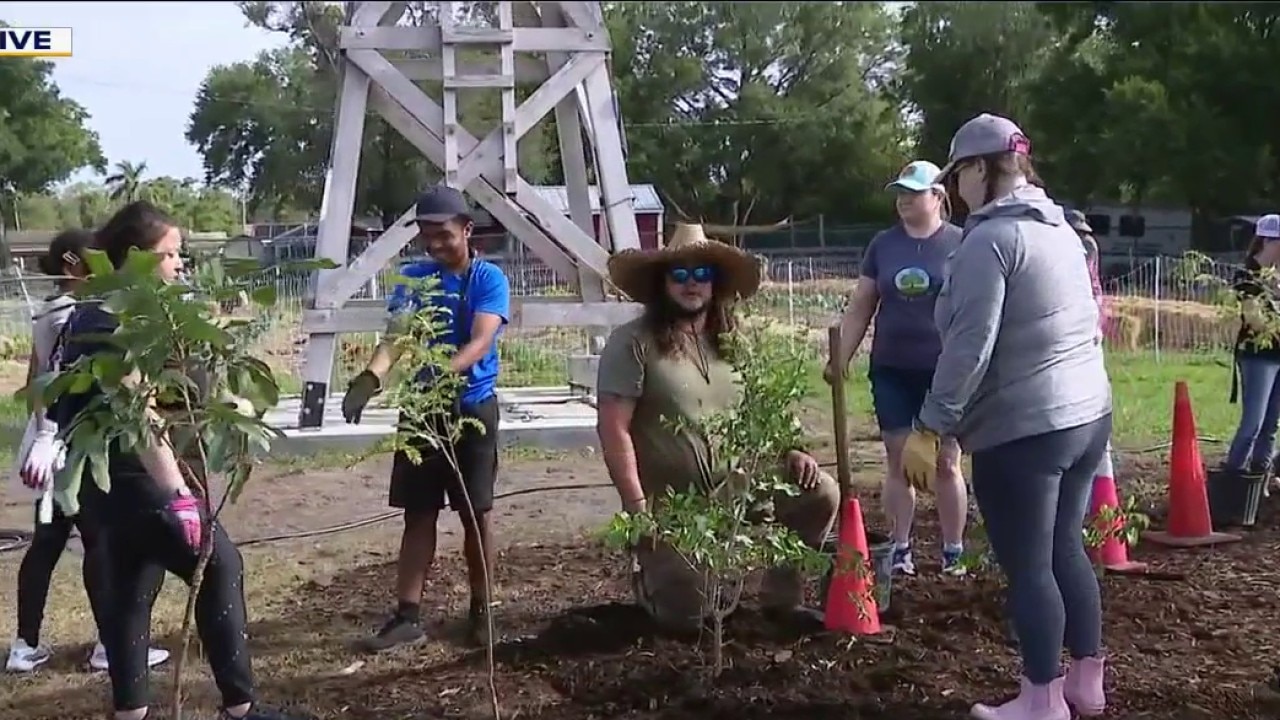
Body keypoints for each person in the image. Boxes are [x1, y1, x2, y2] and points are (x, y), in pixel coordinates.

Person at [51, 201, 305, 720]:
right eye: (171, 254)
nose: (180, 263)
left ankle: (132, 712)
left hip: (106, 487)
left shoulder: (102, 306)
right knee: (218, 565)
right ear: (138, 257)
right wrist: (177, 496)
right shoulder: (114, 315)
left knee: (130, 587)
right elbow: (136, 410)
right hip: (134, 476)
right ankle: (240, 708)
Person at [901, 114, 1113, 720]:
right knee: (1066, 546)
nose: (956, 192)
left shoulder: (989, 242)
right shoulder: (1061, 231)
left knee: (1028, 565)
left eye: (958, 176)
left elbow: (971, 344)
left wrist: (931, 425)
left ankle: (1041, 700)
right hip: (1086, 415)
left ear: (979, 169)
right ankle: (1086, 682)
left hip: (1027, 428)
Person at [596, 223, 839, 633]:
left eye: (702, 274)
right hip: (674, 507)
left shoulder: (732, 341)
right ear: (662, 282)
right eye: (681, 274)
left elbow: (764, 407)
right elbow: (613, 429)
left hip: (740, 487)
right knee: (690, 621)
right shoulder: (633, 343)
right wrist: (637, 510)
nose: (692, 284)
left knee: (821, 493)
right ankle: (652, 578)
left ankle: (782, 598)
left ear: (716, 283)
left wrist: (792, 448)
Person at [342, 185, 510, 651]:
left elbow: (480, 341)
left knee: (476, 515)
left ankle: (483, 612)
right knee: (418, 515)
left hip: (470, 407)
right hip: (422, 412)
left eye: (443, 234)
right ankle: (406, 617)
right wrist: (371, 379)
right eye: (425, 235)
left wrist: (442, 374)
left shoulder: (487, 278)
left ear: (467, 230)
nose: (434, 244)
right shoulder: (414, 278)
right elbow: (396, 337)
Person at [6, 230, 169, 674]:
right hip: (76, 446)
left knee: (48, 541)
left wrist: (42, 434)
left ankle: (26, 644)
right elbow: (58, 378)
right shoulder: (77, 312)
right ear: (76, 261)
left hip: (52, 445)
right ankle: (108, 645)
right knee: (101, 542)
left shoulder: (49, 311)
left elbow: (35, 377)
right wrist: (50, 433)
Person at [827, 160, 969, 577]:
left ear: (938, 197)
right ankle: (901, 548)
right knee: (898, 458)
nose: (904, 200)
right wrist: (841, 357)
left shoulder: (962, 244)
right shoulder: (883, 245)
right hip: (891, 367)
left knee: (945, 460)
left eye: (913, 192)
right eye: (900, 193)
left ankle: (953, 551)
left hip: (942, 371)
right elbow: (861, 307)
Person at [1222, 214, 1280, 482]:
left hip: (1277, 354)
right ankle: (1233, 475)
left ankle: (1260, 479)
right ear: (1269, 242)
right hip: (1258, 358)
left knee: (1271, 425)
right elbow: (1255, 321)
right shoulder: (1247, 274)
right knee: (1253, 423)